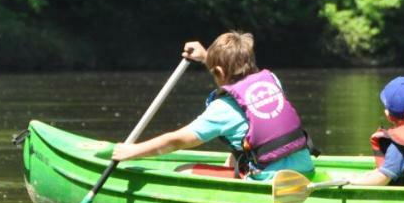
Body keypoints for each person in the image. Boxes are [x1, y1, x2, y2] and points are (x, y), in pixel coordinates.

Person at [110, 31, 315, 180]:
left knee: (184, 171)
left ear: (218, 71)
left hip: (274, 181)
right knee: (234, 157)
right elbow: (235, 67)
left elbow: (175, 141)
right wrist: (206, 56)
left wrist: (131, 151)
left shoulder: (223, 110)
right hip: (304, 169)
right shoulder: (271, 82)